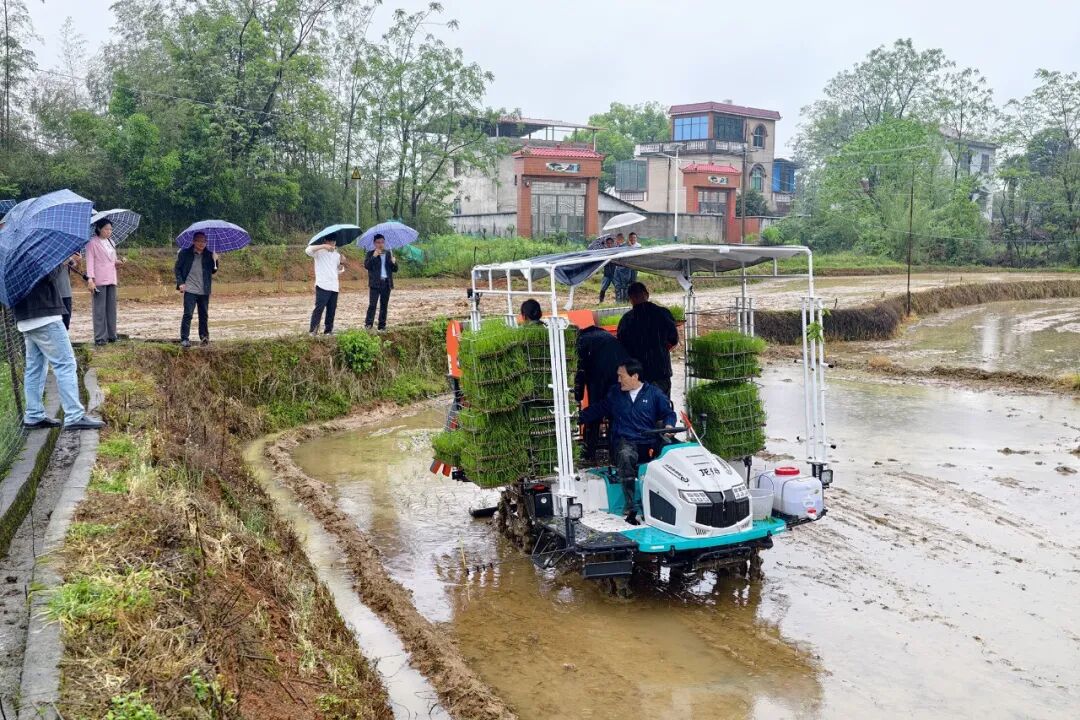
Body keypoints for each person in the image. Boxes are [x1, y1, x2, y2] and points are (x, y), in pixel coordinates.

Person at [579, 359, 675, 524]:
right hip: (626, 440)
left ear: (635, 376)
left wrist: (668, 425)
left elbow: (669, 413)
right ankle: (630, 504)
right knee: (625, 455)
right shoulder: (615, 393)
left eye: (621, 376)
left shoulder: (654, 394)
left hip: (648, 440)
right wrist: (576, 418)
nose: (618, 380)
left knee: (669, 452)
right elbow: (599, 408)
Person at [10, 266, 104, 431]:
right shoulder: (38, 253)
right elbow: (51, 274)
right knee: (65, 364)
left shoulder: (10, 261)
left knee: (35, 368)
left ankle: (33, 415)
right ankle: (74, 415)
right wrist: (61, 262)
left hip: (24, 318)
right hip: (46, 316)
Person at [574, 325, 629, 462]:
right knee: (615, 411)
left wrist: (578, 396)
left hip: (600, 375)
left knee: (596, 410)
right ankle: (614, 453)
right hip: (621, 372)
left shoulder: (580, 341)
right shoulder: (601, 334)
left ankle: (590, 451)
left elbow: (580, 372)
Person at [617, 282, 679, 397]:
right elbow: (674, 340)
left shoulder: (626, 320)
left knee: (641, 411)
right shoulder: (662, 313)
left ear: (630, 299)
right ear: (646, 295)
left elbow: (621, 348)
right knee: (662, 408)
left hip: (637, 375)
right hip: (660, 371)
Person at [174, 232, 218, 347]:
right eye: (199, 241)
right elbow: (177, 269)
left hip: (204, 290)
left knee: (204, 315)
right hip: (190, 289)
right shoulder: (184, 253)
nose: (202, 243)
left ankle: (204, 339)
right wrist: (181, 283)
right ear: (193, 241)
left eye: (204, 241)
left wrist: (215, 260)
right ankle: (184, 339)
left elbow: (213, 270)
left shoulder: (209, 255)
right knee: (188, 314)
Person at [85, 219, 122, 346]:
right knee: (99, 309)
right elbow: (89, 262)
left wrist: (118, 262)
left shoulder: (111, 242)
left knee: (111, 308)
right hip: (99, 279)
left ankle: (112, 335)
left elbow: (112, 260)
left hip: (111, 278)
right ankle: (100, 337)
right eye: (106, 229)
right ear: (99, 229)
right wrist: (90, 279)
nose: (109, 231)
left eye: (111, 229)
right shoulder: (92, 243)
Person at [305, 240, 343, 335]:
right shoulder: (319, 252)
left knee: (332, 309)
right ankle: (313, 330)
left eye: (334, 242)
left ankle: (328, 331)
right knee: (319, 308)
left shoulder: (337, 255)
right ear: (326, 241)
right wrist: (323, 246)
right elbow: (308, 250)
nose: (332, 243)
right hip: (322, 285)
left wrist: (341, 265)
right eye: (330, 241)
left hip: (334, 285)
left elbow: (338, 270)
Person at [363, 234, 397, 331]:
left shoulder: (388, 253)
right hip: (375, 283)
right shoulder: (370, 254)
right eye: (378, 242)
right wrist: (374, 256)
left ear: (384, 242)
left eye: (382, 242)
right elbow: (367, 266)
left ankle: (382, 326)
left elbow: (395, 269)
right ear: (374, 243)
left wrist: (394, 262)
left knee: (384, 305)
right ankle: (368, 325)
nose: (380, 244)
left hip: (386, 283)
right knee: (372, 305)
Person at [597, 236, 616, 303]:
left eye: (611, 243)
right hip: (607, 274)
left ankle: (618, 301)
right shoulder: (604, 252)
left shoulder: (616, 251)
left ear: (613, 244)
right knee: (603, 288)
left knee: (617, 288)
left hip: (614, 273)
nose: (609, 245)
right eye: (608, 243)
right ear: (606, 244)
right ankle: (601, 301)